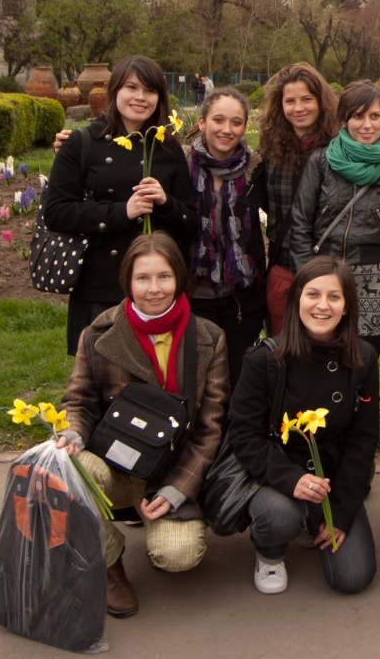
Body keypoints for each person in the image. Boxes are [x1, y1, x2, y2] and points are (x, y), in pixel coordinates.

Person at [55, 232, 230, 617]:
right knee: (67, 472)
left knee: (178, 556)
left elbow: (210, 428)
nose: (154, 289)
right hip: (112, 463)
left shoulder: (209, 338)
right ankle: (110, 563)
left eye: (164, 277)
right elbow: (78, 401)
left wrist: (178, 489)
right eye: (143, 278)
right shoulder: (98, 334)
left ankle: (154, 520)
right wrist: (72, 432)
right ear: (127, 282)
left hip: (167, 469)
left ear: (180, 278)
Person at [226, 256, 380, 595]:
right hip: (278, 476)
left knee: (352, 578)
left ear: (347, 306)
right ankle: (270, 551)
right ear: (296, 300)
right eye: (312, 294)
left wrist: (340, 512)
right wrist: (291, 479)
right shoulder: (265, 360)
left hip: (332, 479)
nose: (322, 306)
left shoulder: (363, 358)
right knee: (279, 516)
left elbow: (363, 440)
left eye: (334, 297)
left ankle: (318, 522)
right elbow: (244, 435)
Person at [43, 56, 196, 355]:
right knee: (99, 382)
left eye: (150, 91)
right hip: (100, 284)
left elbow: (190, 223)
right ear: (115, 90)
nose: (140, 97)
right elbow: (56, 212)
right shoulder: (82, 142)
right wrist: (120, 213)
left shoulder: (167, 147)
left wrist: (165, 203)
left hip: (156, 290)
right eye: (131, 87)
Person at [286, 80, 380, 353]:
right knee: (318, 362)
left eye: (374, 116)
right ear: (344, 119)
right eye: (358, 116)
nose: (366, 125)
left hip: (373, 286)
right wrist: (307, 281)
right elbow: (299, 226)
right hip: (324, 281)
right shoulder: (321, 162)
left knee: (363, 365)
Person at [183, 87, 268, 387]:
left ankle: (234, 434)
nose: (227, 130)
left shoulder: (257, 169)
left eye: (236, 122)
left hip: (242, 299)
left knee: (237, 378)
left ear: (246, 126)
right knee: (196, 378)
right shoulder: (181, 166)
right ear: (203, 122)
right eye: (218, 120)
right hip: (194, 294)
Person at [256, 63, 339, 335]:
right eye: (290, 101)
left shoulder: (339, 148)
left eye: (306, 99)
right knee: (283, 345)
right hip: (284, 264)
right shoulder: (271, 146)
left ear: (320, 101)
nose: (298, 108)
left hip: (328, 268)